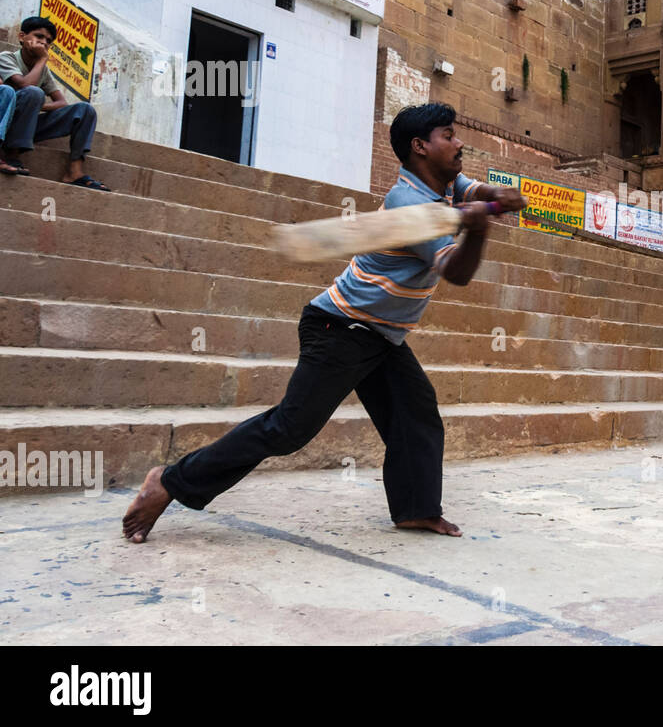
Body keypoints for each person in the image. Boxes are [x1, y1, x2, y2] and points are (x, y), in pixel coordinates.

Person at [122, 102, 528, 542]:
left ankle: (416, 509)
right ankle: (169, 481)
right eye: (449, 135)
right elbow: (458, 273)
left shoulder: (446, 182)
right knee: (289, 429)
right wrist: (480, 230)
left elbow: (475, 191)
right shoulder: (408, 204)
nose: (459, 142)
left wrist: (495, 196)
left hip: (381, 335)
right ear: (420, 147)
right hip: (341, 328)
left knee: (416, 414)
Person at [0, 16, 111, 188]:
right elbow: (24, 85)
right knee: (33, 92)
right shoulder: (8, 57)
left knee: (85, 110)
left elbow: (61, 102)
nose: (44, 43)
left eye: (48, 41)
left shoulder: (42, 70)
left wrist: (38, 105)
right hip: (7, 125)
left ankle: (74, 171)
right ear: (22, 37)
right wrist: (43, 60)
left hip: (28, 125)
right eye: (39, 37)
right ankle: (12, 155)